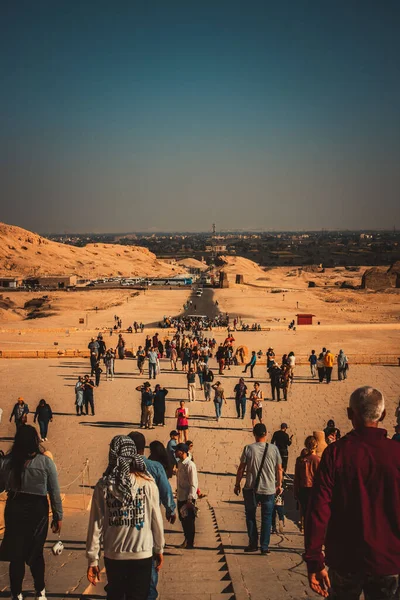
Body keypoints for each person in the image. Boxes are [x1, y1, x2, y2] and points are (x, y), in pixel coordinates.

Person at [305, 386, 400, 599]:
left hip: (345, 561)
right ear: (383, 414)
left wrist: (314, 560)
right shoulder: (396, 454)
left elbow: (318, 510)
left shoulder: (335, 454)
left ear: (349, 414)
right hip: (388, 560)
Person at [86, 435, 164, 600]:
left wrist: (93, 559)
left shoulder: (104, 486)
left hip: (114, 554)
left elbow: (95, 524)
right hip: (142, 553)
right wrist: (159, 548)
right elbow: (156, 520)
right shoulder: (148, 484)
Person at [0, 425, 62, 600]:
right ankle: (40, 590)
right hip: (38, 511)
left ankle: (16, 593)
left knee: (16, 554)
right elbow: (54, 491)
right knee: (36, 551)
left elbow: (0, 487)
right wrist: (58, 516)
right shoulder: (45, 462)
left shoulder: (8, 462)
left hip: (14, 508)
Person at [128, 432, 176, 600]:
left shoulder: (121, 467)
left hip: (126, 524)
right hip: (149, 522)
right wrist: (171, 509)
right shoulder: (155, 466)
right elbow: (165, 490)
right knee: (150, 564)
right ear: (143, 447)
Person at [234, 423, 283, 554]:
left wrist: (237, 484)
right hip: (269, 489)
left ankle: (253, 543)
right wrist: (279, 485)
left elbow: (241, 468)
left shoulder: (248, 448)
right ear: (266, 434)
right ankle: (264, 546)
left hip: (251, 488)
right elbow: (279, 469)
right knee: (267, 518)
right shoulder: (274, 449)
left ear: (254, 434)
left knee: (250, 516)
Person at [294, 436, 320, 535]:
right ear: (316, 445)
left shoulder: (300, 460)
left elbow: (297, 478)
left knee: (304, 512)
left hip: (303, 489)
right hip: (314, 490)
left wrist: (295, 491)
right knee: (314, 514)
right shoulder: (318, 460)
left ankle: (305, 530)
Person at [175, 443, 198, 549]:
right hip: (180, 495)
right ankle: (186, 539)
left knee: (189, 520)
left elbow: (193, 483)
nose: (175, 452)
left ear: (182, 452)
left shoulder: (190, 465)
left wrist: (190, 498)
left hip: (188, 497)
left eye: (177, 451)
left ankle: (190, 542)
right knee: (182, 519)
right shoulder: (180, 463)